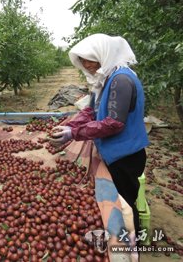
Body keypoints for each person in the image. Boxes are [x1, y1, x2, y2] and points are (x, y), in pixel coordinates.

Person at [49, 34, 149, 234]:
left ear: (103, 54)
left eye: (90, 58)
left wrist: (74, 133)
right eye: (82, 60)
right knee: (120, 201)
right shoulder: (105, 78)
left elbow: (113, 124)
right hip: (115, 153)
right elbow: (91, 110)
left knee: (125, 206)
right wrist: (70, 126)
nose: (86, 64)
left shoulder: (120, 80)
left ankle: (132, 242)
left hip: (125, 156)